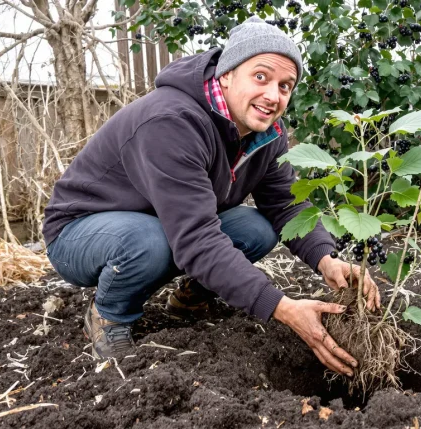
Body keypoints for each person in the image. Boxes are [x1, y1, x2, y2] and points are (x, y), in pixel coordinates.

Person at [42, 16, 379, 377]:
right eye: (261, 77)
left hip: (164, 222)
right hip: (80, 232)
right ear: (228, 73)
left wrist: (326, 258)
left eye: (285, 86)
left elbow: (286, 203)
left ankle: (190, 297)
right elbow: (196, 238)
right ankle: (109, 315)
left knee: (256, 227)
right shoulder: (171, 121)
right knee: (149, 242)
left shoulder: (267, 133)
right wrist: (280, 306)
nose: (273, 95)